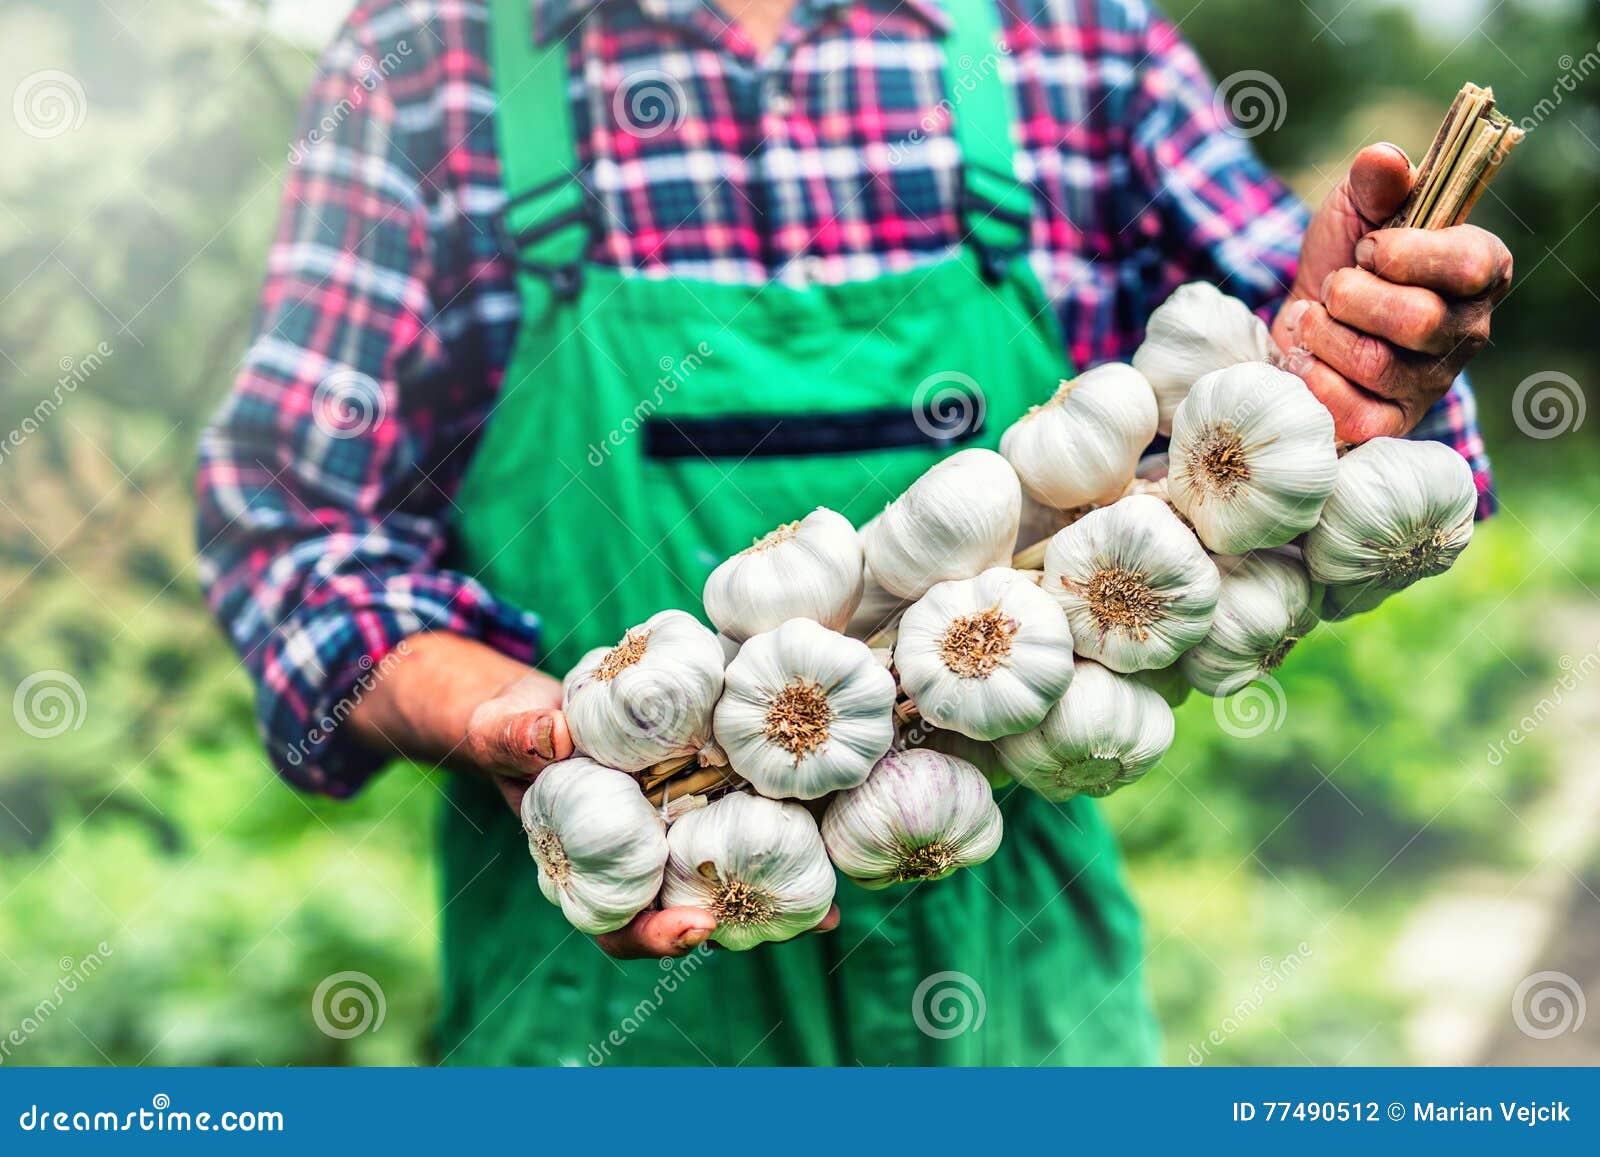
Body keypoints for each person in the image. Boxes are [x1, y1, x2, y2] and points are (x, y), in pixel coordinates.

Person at [197, 0, 1510, 1065]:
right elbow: (286, 527)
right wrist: (497, 717)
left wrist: (1353, 362)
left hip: (1017, 999)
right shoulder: (427, 64)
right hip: (599, 1009)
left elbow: (1355, 468)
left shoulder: (1075, 39)